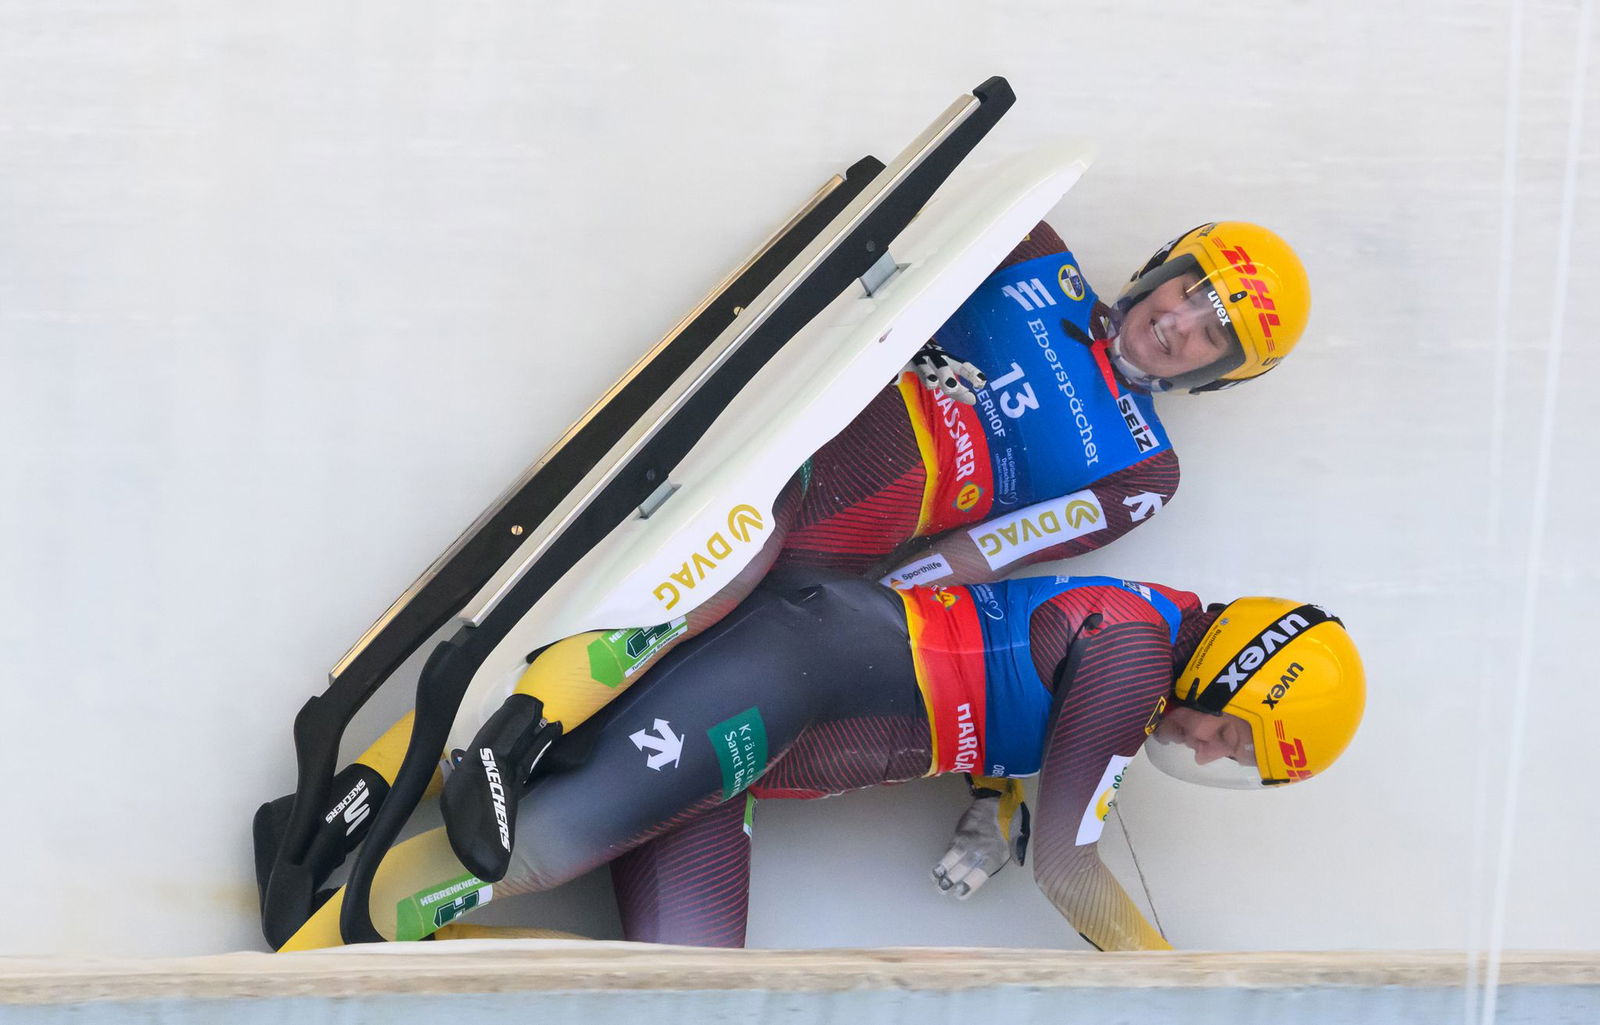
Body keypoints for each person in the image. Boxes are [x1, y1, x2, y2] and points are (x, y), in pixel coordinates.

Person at [263, 219, 1315, 916]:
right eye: (1191, 290)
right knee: (714, 573)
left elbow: (990, 556)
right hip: (779, 473)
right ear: (1162, 266)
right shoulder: (1035, 254)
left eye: (1213, 336)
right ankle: (443, 761)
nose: (1179, 323)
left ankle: (387, 881)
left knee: (702, 754)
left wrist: (864, 619)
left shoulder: (1142, 467)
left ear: (1217, 376)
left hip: (840, 559)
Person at [276, 569, 1363, 952]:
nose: (1208, 748)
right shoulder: (1134, 657)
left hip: (761, 747)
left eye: (1233, 758)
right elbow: (1070, 866)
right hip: (784, 676)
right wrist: (1168, 977)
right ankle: (312, 947)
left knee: (687, 990)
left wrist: (995, 795)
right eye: (1232, 731)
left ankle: (351, 890)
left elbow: (1006, 681)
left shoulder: (1143, 641)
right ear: (1233, 667)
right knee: (541, 847)